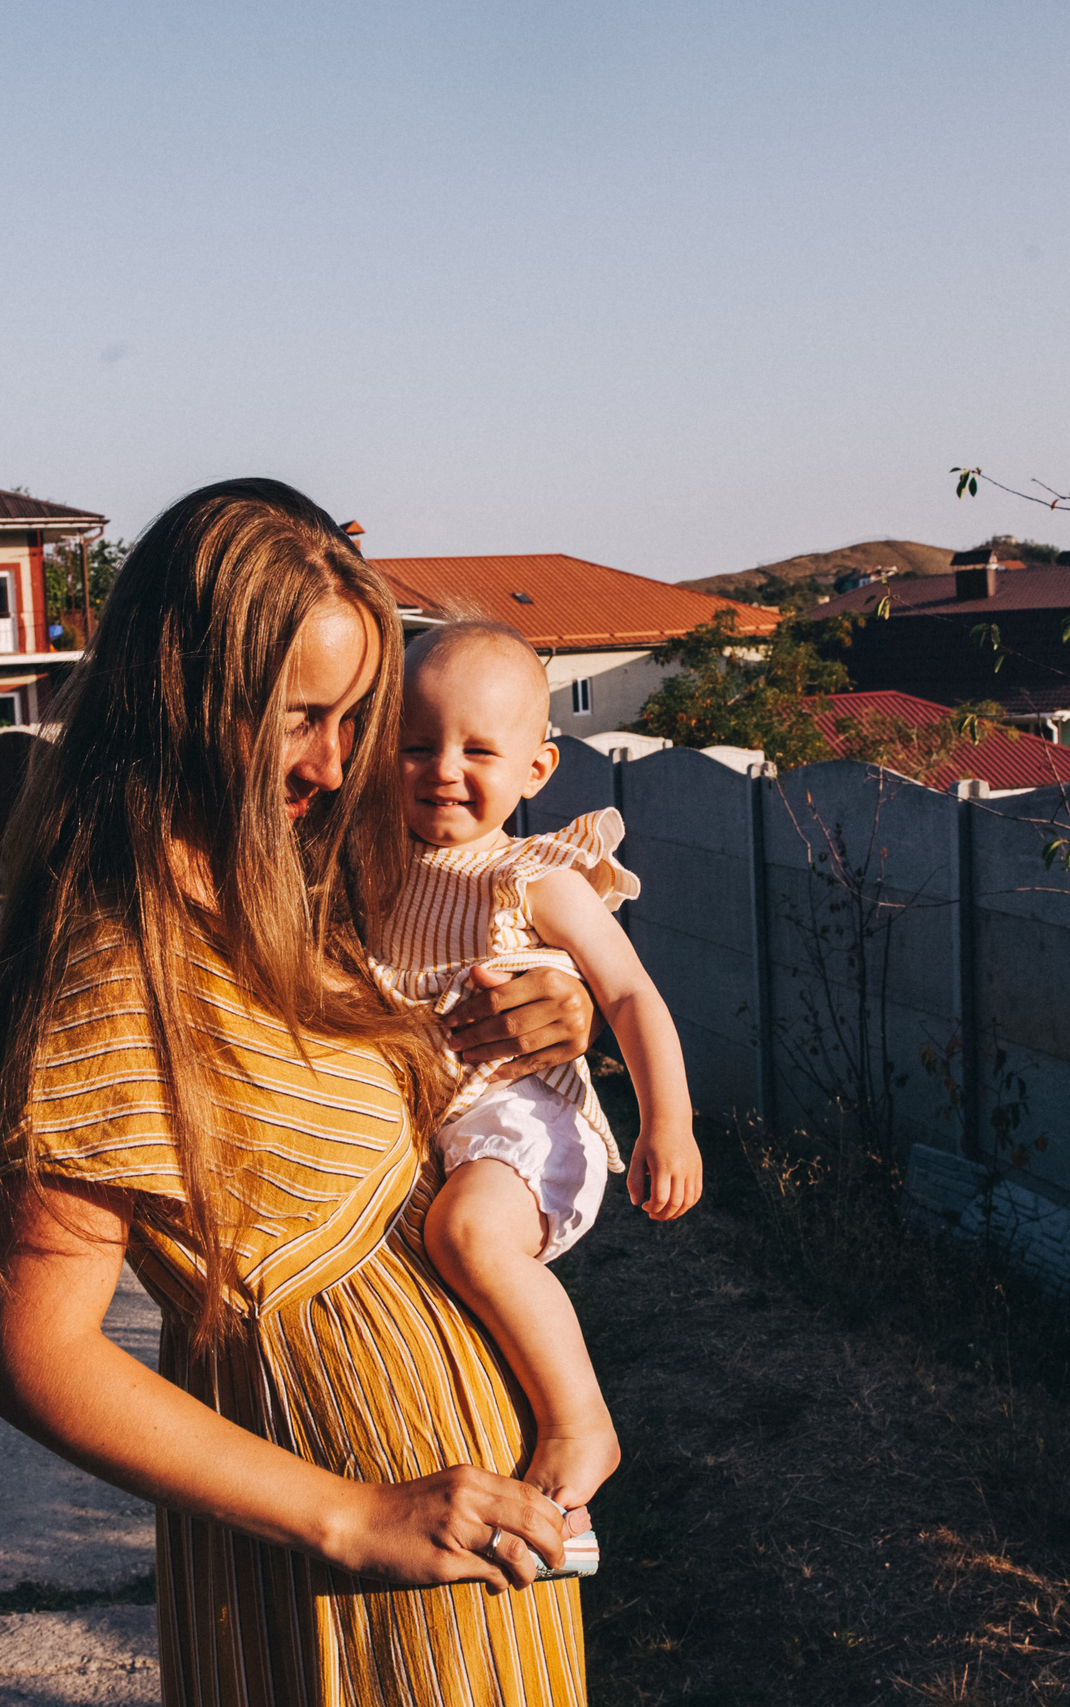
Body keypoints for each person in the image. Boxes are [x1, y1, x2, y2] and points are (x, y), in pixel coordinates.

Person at [0, 479, 601, 1706]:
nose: (335, 766)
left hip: (469, 1546)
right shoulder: (122, 968)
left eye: (355, 719)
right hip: (343, 1572)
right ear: (183, 697)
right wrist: (351, 1517)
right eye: (300, 720)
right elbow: (33, 1355)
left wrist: (553, 1015)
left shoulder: (292, 894)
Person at [374, 621, 701, 1526]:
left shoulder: (533, 874)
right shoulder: (374, 871)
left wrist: (667, 1123)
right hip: (438, 1111)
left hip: (520, 1116)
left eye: (478, 749)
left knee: (469, 1234)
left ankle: (580, 1419)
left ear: (536, 769)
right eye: (415, 744)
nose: (443, 769)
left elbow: (629, 993)